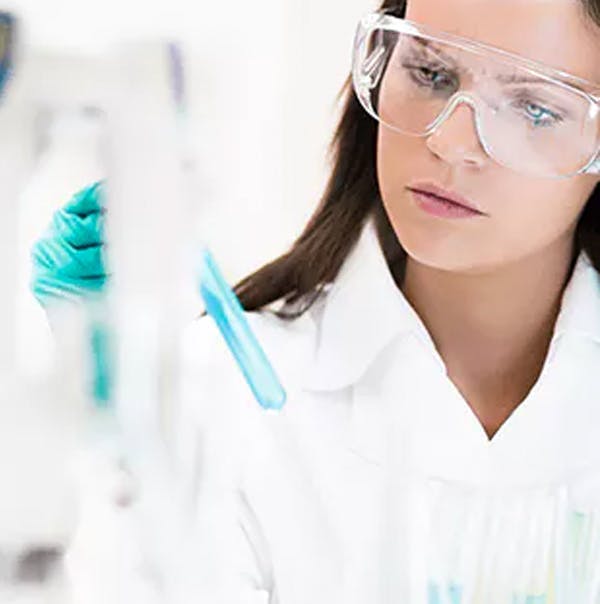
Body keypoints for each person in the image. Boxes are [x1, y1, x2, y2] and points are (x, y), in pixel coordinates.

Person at [30, 0, 600, 601]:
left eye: (536, 109)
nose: (451, 142)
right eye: (431, 75)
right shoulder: (225, 392)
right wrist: (118, 402)